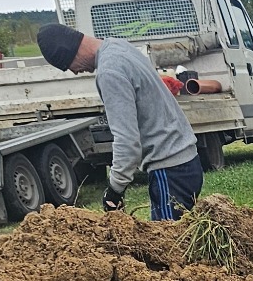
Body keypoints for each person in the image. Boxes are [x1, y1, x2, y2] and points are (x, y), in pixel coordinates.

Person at [35, 22, 203, 220]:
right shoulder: (119, 46)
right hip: (186, 161)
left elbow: (127, 140)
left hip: (170, 170)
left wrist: (114, 189)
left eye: (67, 65)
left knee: (170, 246)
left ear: (70, 52)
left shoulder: (109, 72)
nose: (74, 72)